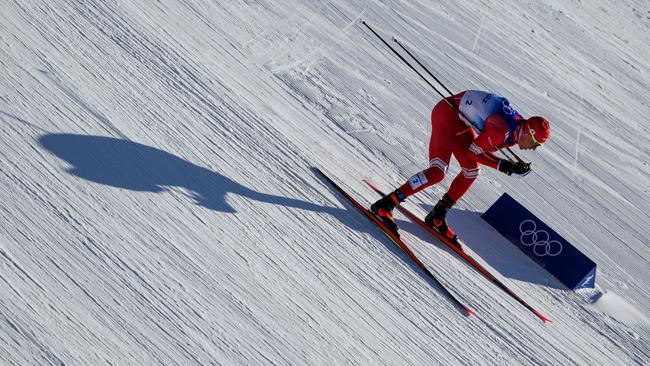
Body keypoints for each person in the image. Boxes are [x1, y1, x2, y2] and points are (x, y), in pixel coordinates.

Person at [370, 90, 551, 247]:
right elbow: (474, 152)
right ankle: (386, 204)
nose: (533, 148)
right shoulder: (502, 130)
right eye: (535, 144)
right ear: (529, 132)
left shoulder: (515, 132)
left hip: (461, 123)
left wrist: (508, 166)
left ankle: (438, 214)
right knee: (438, 172)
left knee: (472, 171)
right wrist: (504, 166)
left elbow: (482, 150)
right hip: (446, 116)